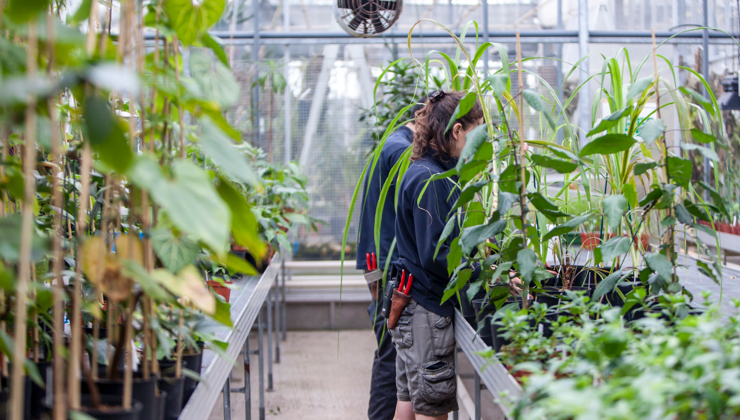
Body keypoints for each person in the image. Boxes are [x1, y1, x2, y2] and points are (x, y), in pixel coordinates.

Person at [390, 90, 484, 420]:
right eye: (477, 131)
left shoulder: (429, 170)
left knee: (410, 398)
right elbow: (438, 253)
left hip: (412, 306)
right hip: (426, 312)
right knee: (432, 407)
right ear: (457, 131)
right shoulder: (430, 179)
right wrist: (484, 273)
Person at [356, 98, 427, 420]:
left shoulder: (394, 141)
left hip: (381, 262)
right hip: (389, 267)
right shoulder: (401, 151)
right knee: (391, 355)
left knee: (391, 352)